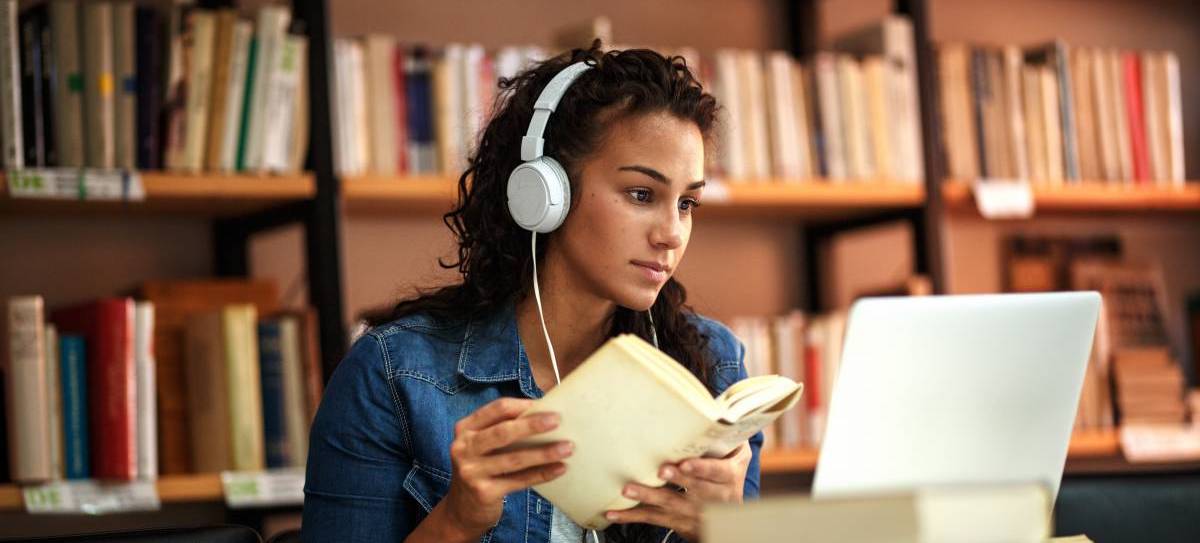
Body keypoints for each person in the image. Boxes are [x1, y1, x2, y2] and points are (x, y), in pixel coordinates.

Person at [301, 42, 763, 543]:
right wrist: (455, 522)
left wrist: (726, 532)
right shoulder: (393, 376)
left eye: (688, 202)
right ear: (544, 194)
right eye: (641, 194)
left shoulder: (713, 367)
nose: (671, 233)